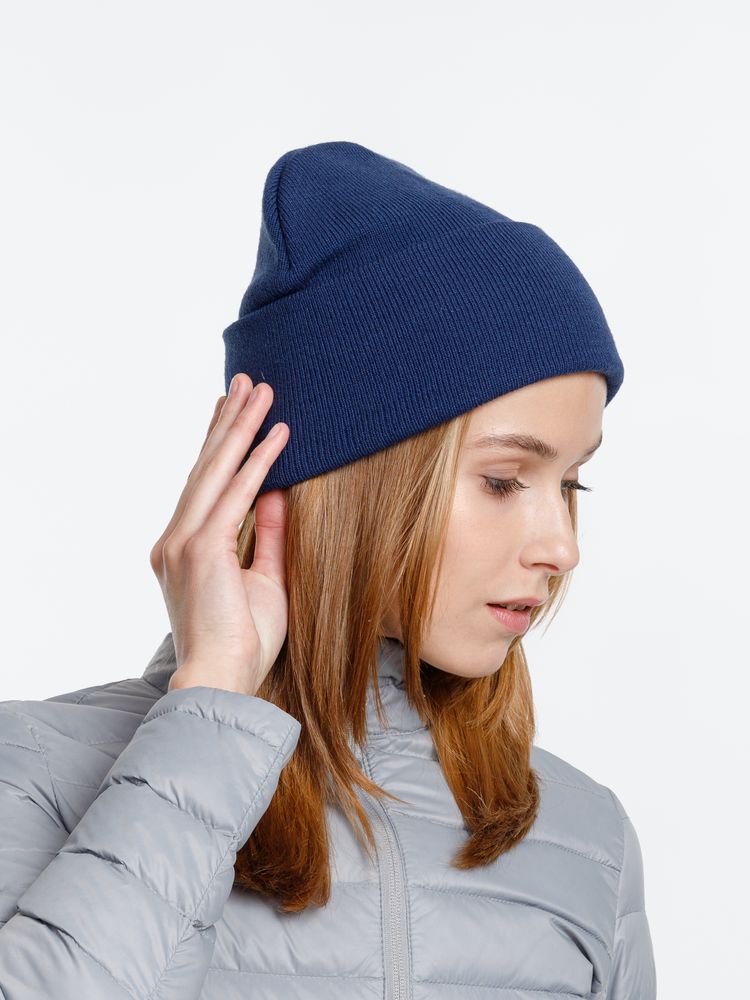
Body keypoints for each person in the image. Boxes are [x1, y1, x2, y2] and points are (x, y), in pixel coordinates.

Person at [0, 141, 657, 998]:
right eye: (503, 481)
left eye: (571, 483)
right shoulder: (35, 773)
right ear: (348, 478)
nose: (562, 548)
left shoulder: (587, 840)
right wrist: (211, 704)